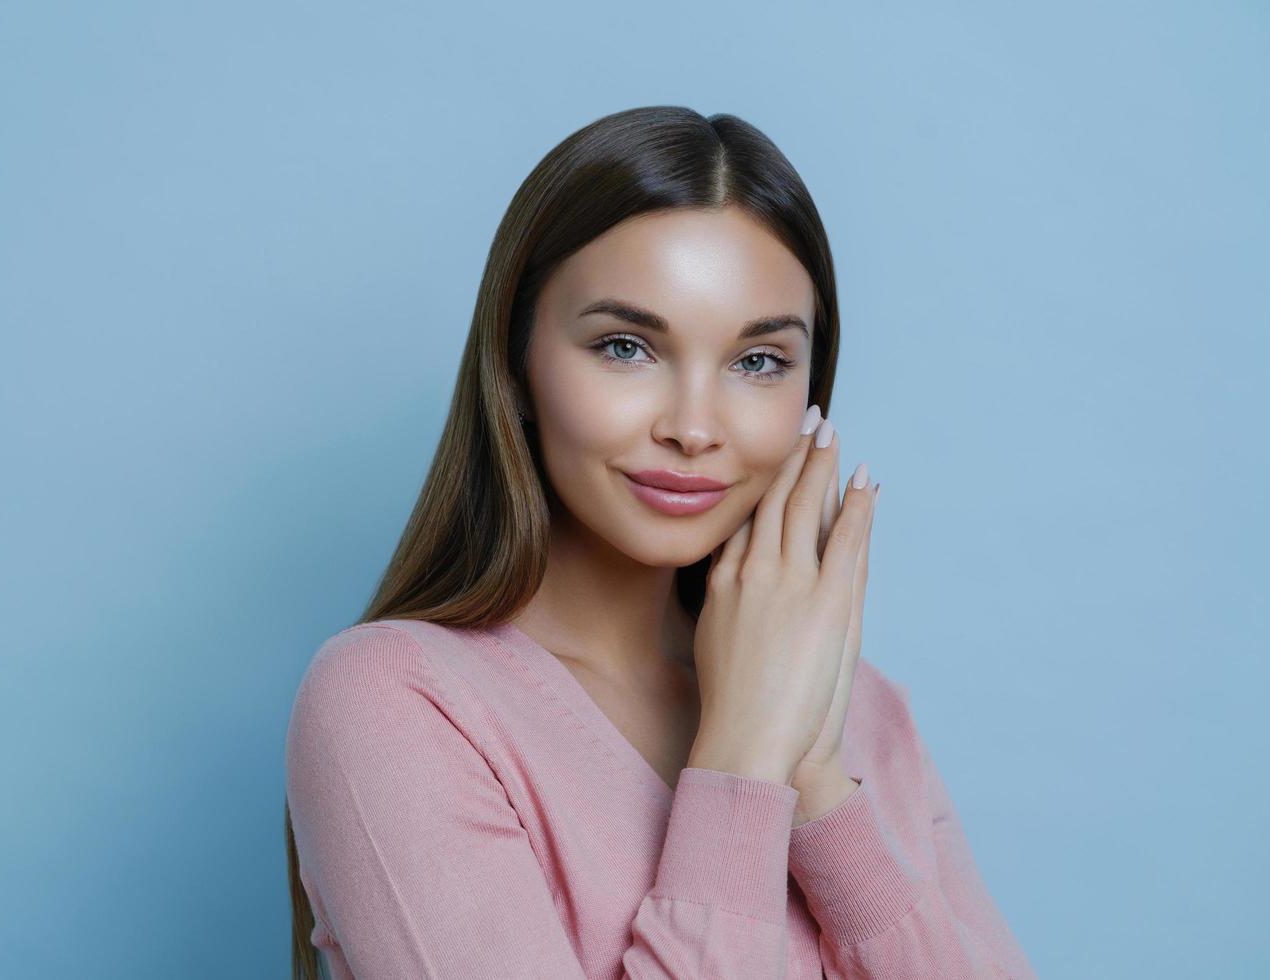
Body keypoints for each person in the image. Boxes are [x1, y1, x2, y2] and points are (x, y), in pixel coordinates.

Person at [283, 105, 1037, 979]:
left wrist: (820, 787)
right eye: (626, 346)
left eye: (757, 362)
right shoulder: (396, 702)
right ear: (517, 363)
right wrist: (746, 763)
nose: (694, 427)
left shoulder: (862, 713)